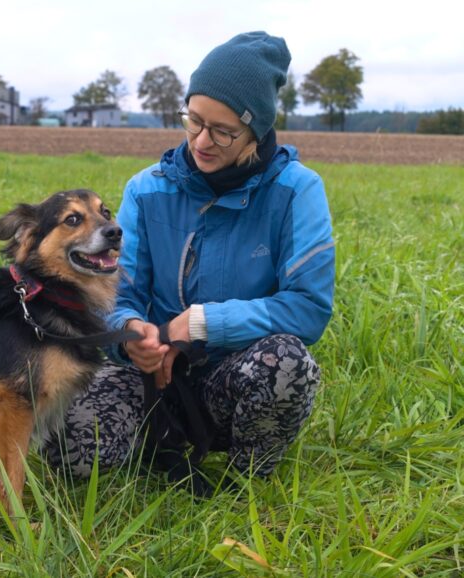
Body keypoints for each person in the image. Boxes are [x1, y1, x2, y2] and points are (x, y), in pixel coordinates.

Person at [43, 31, 335, 490]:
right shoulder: (147, 188)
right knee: (71, 451)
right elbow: (121, 293)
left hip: (234, 377)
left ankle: (249, 478)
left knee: (287, 363)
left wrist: (202, 324)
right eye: (193, 120)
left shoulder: (297, 192)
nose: (202, 141)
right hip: (148, 378)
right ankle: (156, 441)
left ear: (255, 131)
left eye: (223, 131)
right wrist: (131, 335)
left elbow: (308, 308)